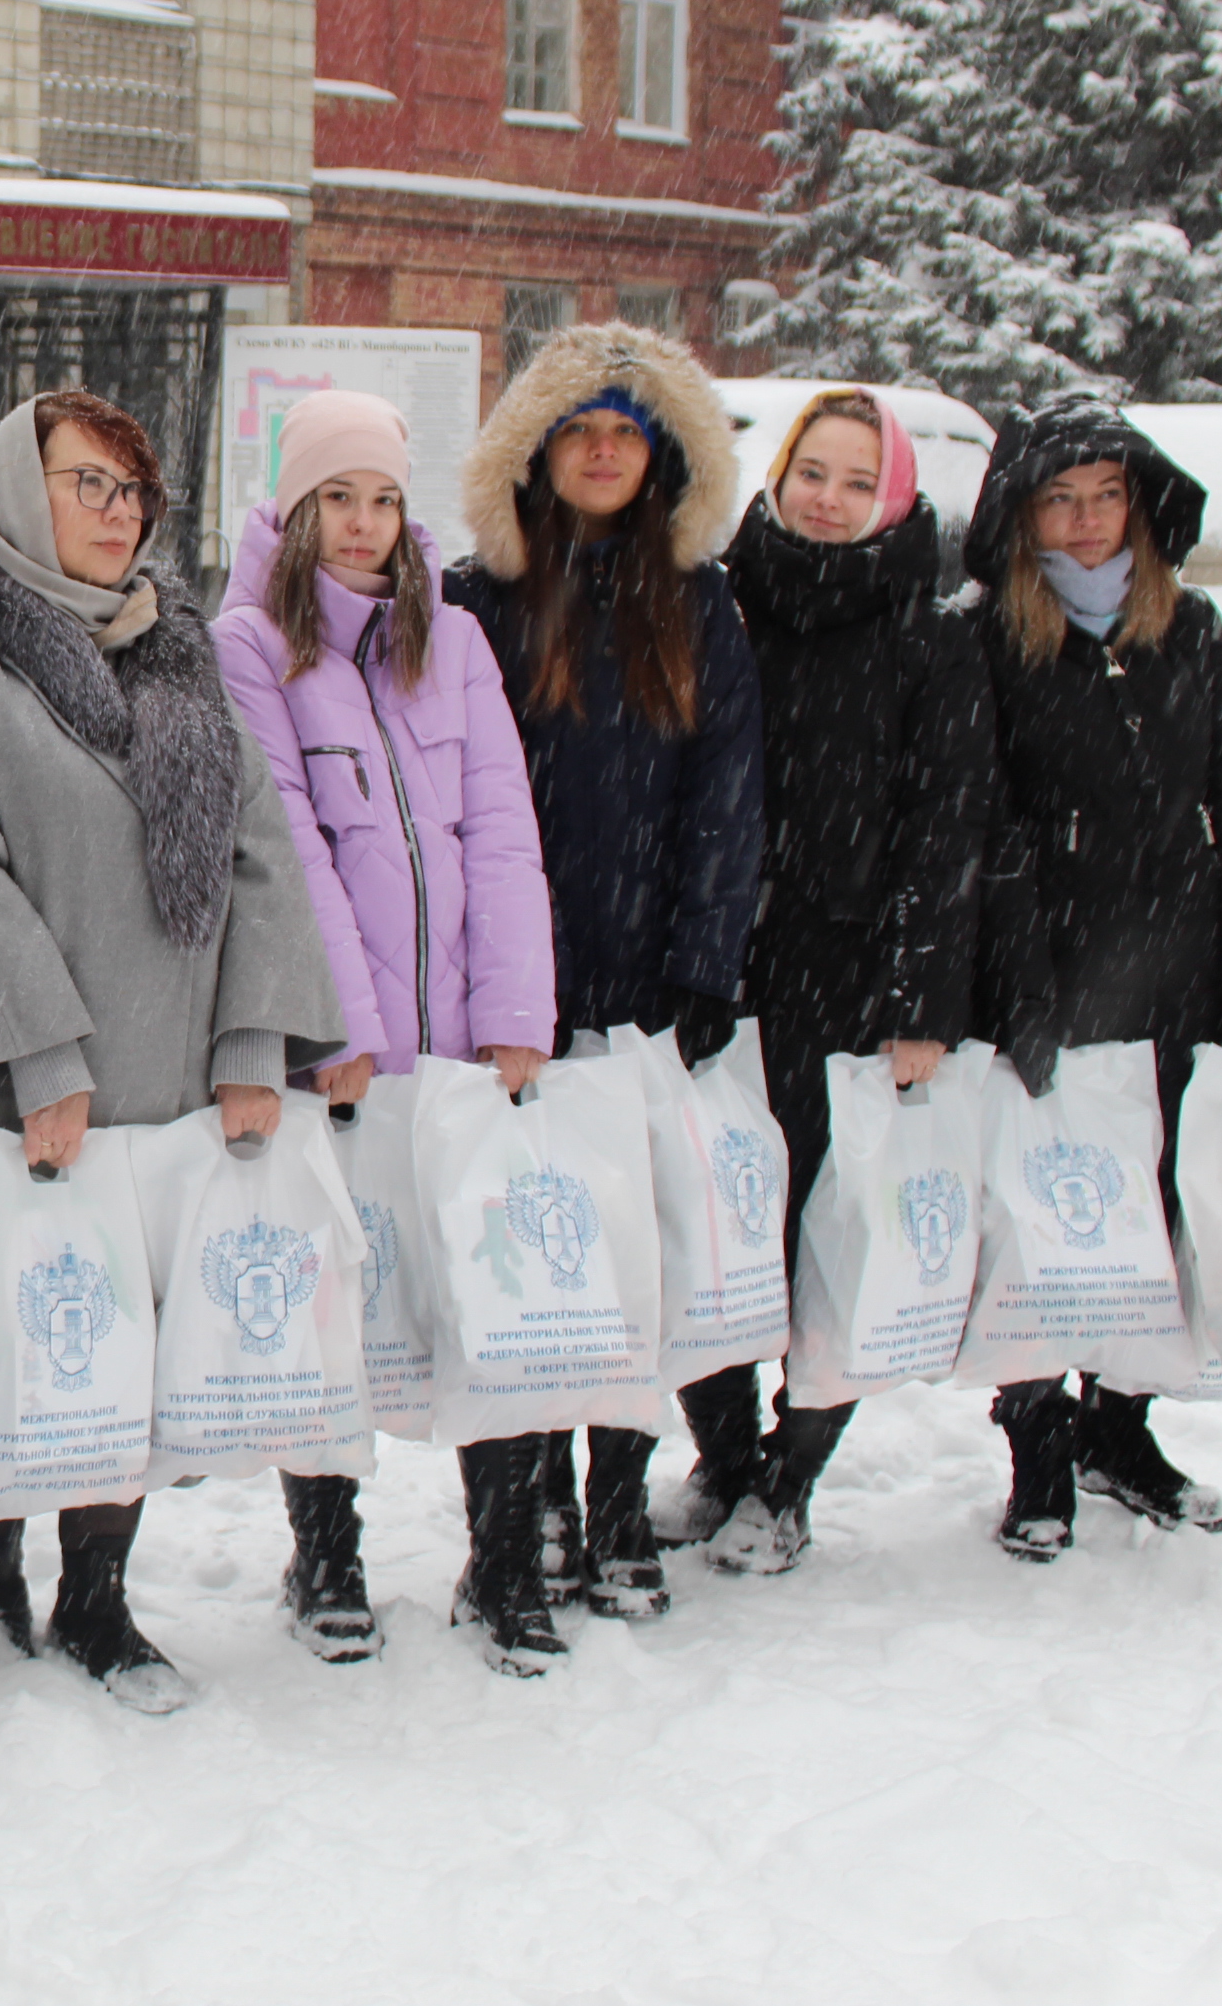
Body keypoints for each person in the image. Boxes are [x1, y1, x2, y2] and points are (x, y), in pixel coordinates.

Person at [0, 390, 342, 1713]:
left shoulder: (177, 651)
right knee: (36, 1317)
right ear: (22, 495)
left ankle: (96, 1599)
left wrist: (255, 1034)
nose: (114, 514)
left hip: (175, 1076)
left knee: (123, 1348)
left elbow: (261, 848)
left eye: (130, 492)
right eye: (85, 486)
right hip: (44, 1076)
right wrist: (40, 1058)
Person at [210, 390, 555, 1666]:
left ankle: (506, 1556)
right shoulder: (250, 644)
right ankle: (329, 1552)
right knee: (338, 1307)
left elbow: (504, 827)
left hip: (467, 1040)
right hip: (344, 1058)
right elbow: (286, 843)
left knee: (491, 1288)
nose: (363, 526)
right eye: (337, 498)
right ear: (295, 508)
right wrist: (336, 1025)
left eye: (385, 499)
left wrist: (517, 1012)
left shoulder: (452, 641)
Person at [443, 322, 760, 1658]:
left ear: (663, 455)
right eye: (578, 431)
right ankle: (513, 1528)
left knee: (630, 1263)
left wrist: (704, 963)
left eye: (627, 434)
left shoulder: (701, 608)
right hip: (509, 997)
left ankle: (618, 1504)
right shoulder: (478, 602)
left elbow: (728, 797)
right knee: (515, 1260)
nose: (601, 454)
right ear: (537, 451)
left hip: (642, 991)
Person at [966, 393, 1222, 1559]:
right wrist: (1018, 984)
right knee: (1045, 1209)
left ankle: (1121, 1425)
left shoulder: (1189, 629)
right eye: (1062, 497)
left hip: (1178, 964)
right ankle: (1037, 1443)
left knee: (1153, 1205)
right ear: (1022, 512)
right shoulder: (994, 637)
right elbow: (986, 824)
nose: (1089, 519)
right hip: (1050, 966)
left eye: (1108, 494)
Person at [680, 387, 995, 1574]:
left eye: (859, 481)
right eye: (814, 470)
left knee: (832, 1238)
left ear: (896, 498)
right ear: (778, 472)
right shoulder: (724, 601)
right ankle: (723, 1455)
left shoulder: (930, 634)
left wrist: (923, 1002)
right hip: (721, 977)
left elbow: (947, 826)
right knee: (715, 1229)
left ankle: (792, 1476)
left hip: (853, 992)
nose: (828, 496)